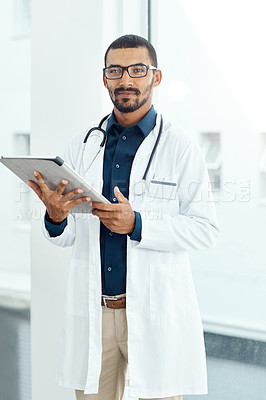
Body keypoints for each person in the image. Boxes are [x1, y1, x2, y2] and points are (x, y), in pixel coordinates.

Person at [28, 34, 219, 400]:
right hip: (96, 312)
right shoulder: (85, 144)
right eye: (115, 70)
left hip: (153, 312)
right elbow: (68, 236)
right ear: (105, 78)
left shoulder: (181, 147)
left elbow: (206, 230)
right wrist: (56, 217)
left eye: (137, 70)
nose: (126, 80)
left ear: (155, 77)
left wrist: (138, 225)